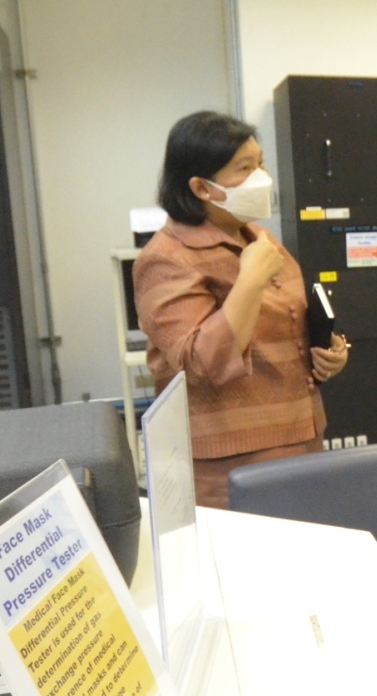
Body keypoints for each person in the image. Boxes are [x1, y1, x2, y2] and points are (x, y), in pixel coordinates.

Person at [134, 111, 348, 508]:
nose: (261, 177)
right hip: (229, 465)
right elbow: (200, 362)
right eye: (244, 169)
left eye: (260, 163)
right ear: (201, 187)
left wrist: (329, 352)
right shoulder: (165, 258)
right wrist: (250, 279)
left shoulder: (259, 238)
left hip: (302, 438)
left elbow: (288, 324)